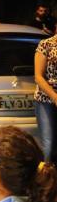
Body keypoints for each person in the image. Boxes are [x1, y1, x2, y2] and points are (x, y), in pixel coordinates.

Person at [34, 31, 57, 165]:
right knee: (48, 145)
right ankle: (45, 181)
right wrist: (54, 96)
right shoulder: (46, 44)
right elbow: (38, 76)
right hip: (46, 99)